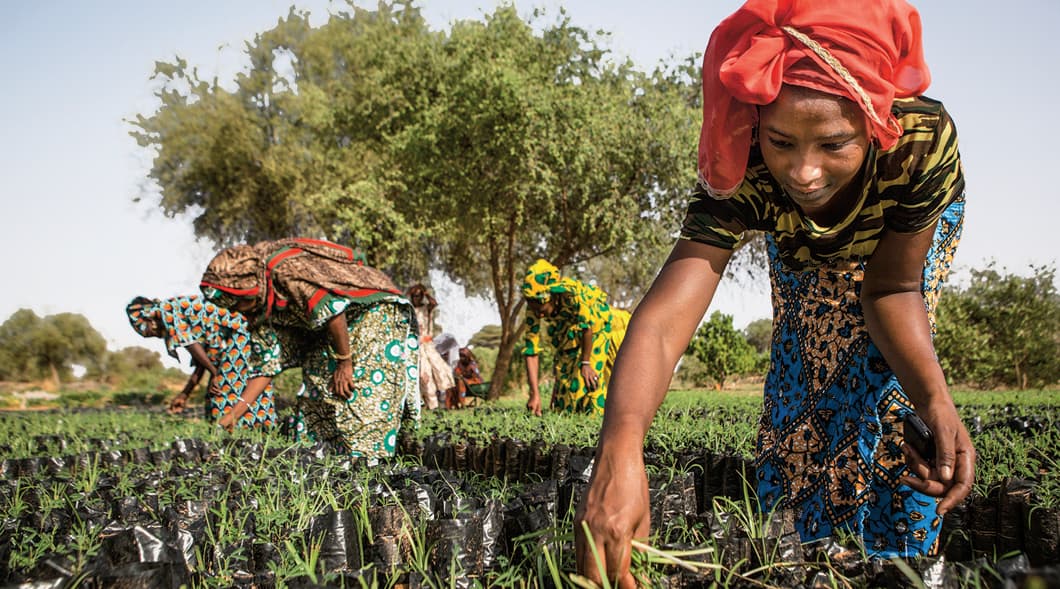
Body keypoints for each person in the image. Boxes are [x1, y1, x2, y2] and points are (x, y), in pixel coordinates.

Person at [575, 0, 976, 582]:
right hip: (802, 242)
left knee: (886, 392)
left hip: (899, 242)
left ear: (873, 124)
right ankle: (802, 557)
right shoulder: (743, 160)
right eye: (782, 141)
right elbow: (664, 322)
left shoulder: (917, 144)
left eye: (834, 143)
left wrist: (936, 399)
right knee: (804, 380)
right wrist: (619, 451)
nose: (804, 172)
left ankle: (898, 562)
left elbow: (891, 289)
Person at [198, 237, 420, 459]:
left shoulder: (286, 273)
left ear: (247, 289)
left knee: (359, 390)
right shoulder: (260, 309)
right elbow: (267, 365)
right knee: (317, 388)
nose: (237, 310)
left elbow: (332, 308)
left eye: (236, 303)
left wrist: (345, 361)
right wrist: (234, 415)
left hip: (371, 311)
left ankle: (369, 461)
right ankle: (327, 460)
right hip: (331, 326)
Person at [125, 295, 277, 429]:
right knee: (227, 387)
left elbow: (191, 345)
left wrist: (216, 373)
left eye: (144, 330)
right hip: (245, 332)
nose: (148, 334)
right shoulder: (186, 318)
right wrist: (185, 394)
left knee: (222, 389)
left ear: (148, 320)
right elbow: (202, 361)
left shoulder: (168, 310)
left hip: (244, 331)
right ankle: (250, 431)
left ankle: (233, 432)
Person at [521, 259, 630, 416]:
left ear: (552, 296)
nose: (539, 314)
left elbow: (587, 328)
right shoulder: (534, 305)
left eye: (542, 309)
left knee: (589, 383)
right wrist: (534, 393)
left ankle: (597, 421)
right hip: (571, 334)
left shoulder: (573, 295)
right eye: (535, 309)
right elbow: (531, 351)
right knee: (565, 400)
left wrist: (585, 363)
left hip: (598, 327)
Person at [406, 284, 455, 410]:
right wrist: (408, 293)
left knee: (441, 371)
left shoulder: (426, 308)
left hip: (428, 346)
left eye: (419, 295)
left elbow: (434, 303)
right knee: (424, 375)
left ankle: (438, 403)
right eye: (415, 295)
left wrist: (426, 293)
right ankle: (430, 404)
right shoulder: (408, 309)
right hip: (415, 347)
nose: (417, 298)